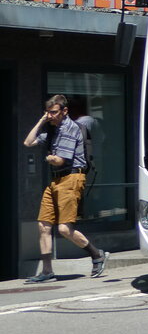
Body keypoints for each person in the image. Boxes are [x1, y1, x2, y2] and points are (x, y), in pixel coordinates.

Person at [22, 94, 107, 282]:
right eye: (48, 113)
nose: (50, 116)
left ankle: (97, 254)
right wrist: (41, 121)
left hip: (71, 178)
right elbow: (28, 143)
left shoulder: (69, 128)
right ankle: (47, 271)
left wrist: (51, 158)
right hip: (55, 181)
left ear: (64, 111)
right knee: (43, 225)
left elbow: (60, 160)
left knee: (64, 229)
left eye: (53, 112)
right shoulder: (52, 130)